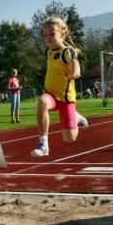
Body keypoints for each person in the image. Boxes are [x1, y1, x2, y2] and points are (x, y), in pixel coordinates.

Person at [31, 17, 88, 157]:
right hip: (50, 95)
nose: (48, 38)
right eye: (45, 35)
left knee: (70, 138)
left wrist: (76, 73)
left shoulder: (66, 52)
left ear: (62, 34)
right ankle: (43, 144)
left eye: (52, 34)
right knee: (42, 102)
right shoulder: (49, 52)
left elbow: (75, 63)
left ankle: (76, 117)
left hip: (65, 98)